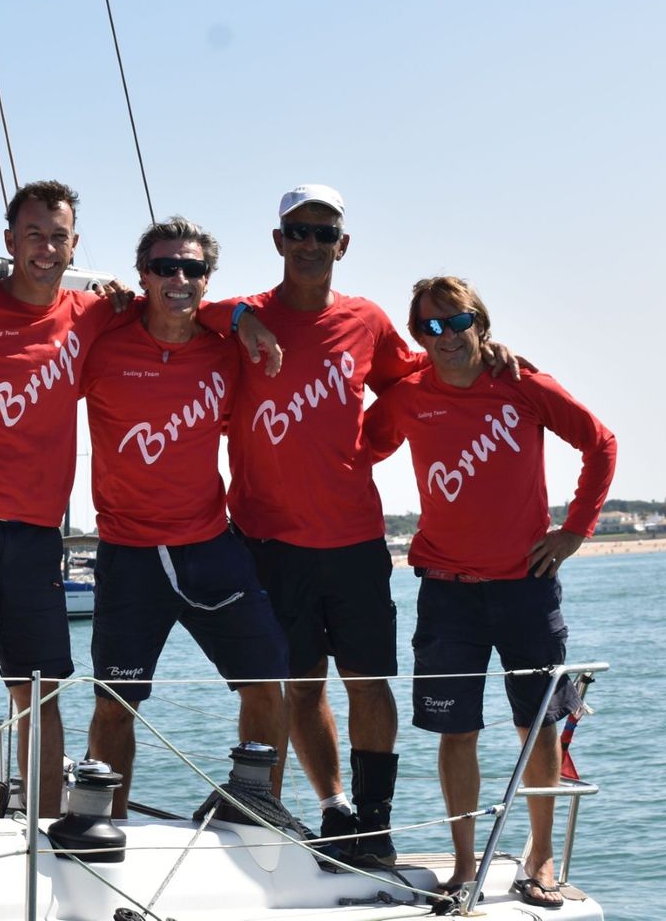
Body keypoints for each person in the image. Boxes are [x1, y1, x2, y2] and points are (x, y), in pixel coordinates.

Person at [0, 180, 281, 818]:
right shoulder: (6, 319)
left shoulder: (124, 322)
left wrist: (244, 315)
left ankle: (77, 828)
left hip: (91, 535)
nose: (46, 248)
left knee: (48, 689)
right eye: (34, 235)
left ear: (75, 245)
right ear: (10, 242)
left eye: (58, 237)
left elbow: (192, 307)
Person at [222, 183, 519, 865]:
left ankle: (374, 827)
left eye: (325, 233)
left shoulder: (369, 320)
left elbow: (427, 377)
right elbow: (187, 310)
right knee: (295, 686)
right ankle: (323, 810)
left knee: (366, 681)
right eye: (299, 230)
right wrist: (239, 312)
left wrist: (493, 355)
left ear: (343, 245)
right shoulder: (241, 317)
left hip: (354, 538)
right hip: (269, 540)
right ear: (278, 240)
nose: (311, 243)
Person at [363, 276, 616, 907]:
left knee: (540, 727)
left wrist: (576, 529)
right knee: (459, 733)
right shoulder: (409, 396)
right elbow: (352, 449)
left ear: (482, 323)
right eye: (430, 327)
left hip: (527, 588)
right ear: (419, 335)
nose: (445, 337)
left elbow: (600, 443)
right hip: (446, 593)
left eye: (457, 322)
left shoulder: (524, 385)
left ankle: (540, 856)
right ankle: (462, 861)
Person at [79, 217, 288, 818]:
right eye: (164, 267)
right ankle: (103, 824)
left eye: (192, 268)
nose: (178, 278)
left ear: (207, 279)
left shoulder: (228, 351)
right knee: (116, 702)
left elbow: (230, 314)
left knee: (267, 680)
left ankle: (254, 810)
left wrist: (243, 316)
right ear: (141, 275)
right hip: (129, 555)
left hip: (209, 546)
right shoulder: (105, 343)